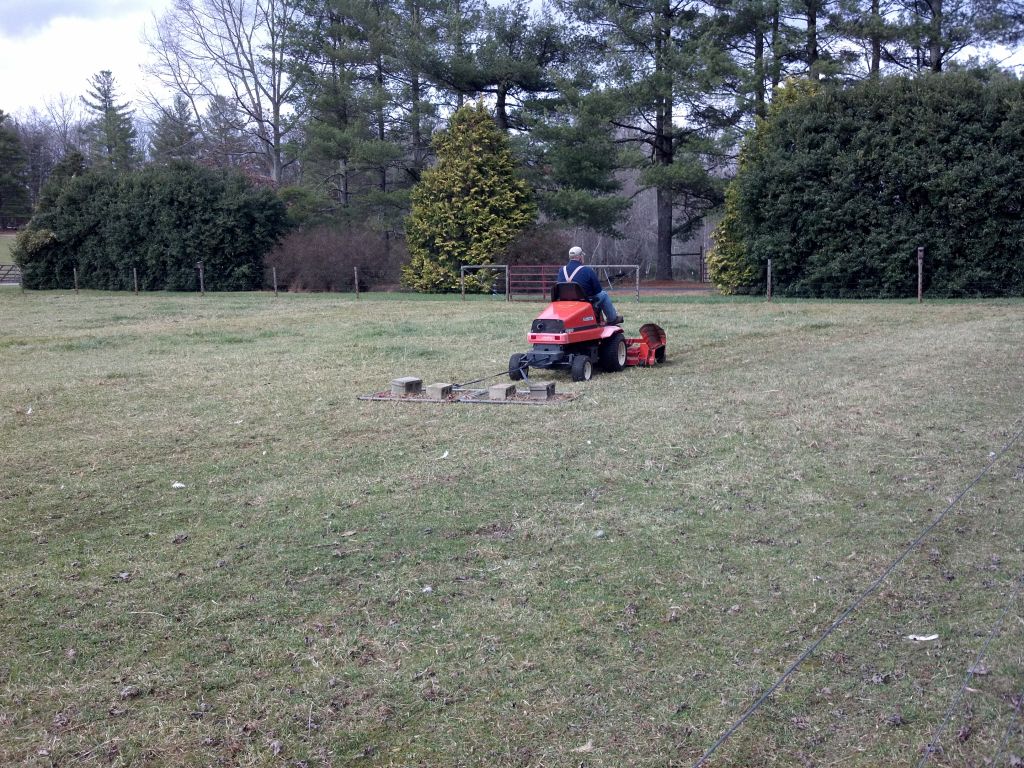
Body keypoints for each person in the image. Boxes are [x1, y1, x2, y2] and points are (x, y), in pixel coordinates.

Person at [560, 246, 623, 325]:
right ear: (579, 257)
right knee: (603, 294)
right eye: (582, 255)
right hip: (584, 303)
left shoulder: (562, 270)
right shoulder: (587, 270)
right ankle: (612, 319)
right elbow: (597, 290)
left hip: (566, 302)